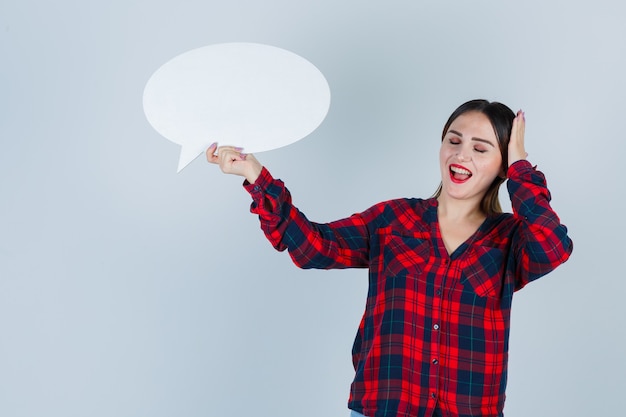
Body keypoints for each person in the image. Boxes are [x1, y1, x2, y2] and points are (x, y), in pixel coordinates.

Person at [206, 99, 573, 417]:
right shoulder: (393, 220)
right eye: (454, 141)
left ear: (501, 165)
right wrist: (253, 174)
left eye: (481, 149)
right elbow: (312, 246)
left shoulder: (509, 239)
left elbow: (553, 246)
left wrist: (521, 168)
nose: (461, 155)